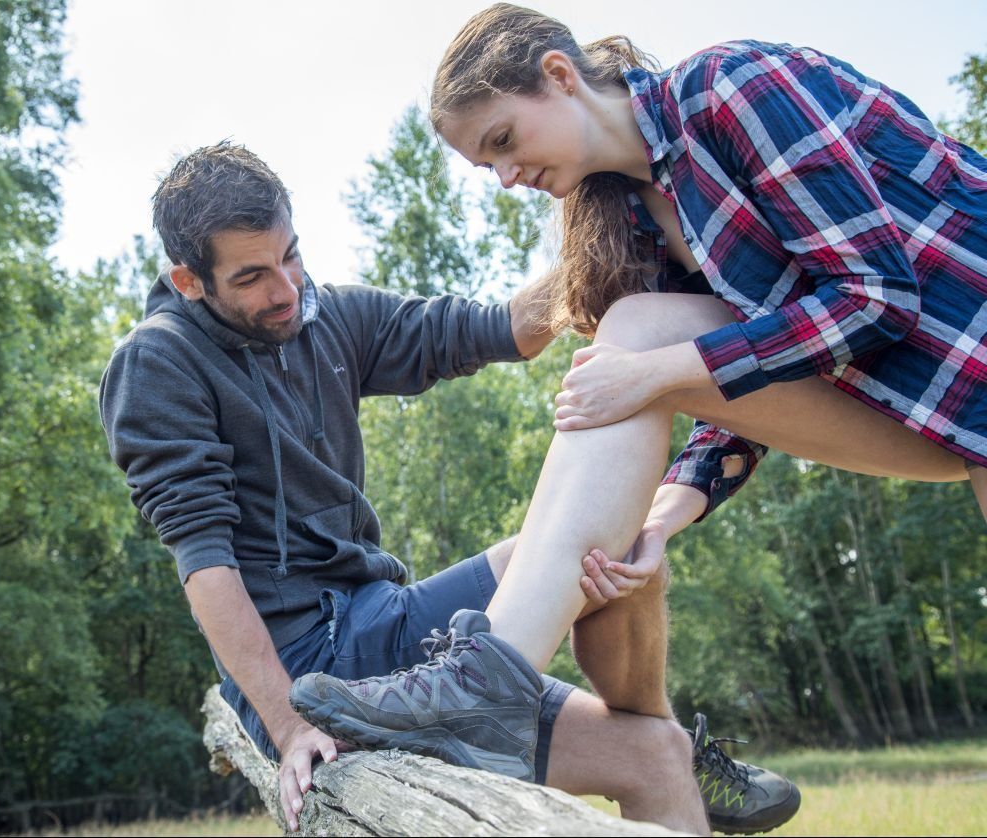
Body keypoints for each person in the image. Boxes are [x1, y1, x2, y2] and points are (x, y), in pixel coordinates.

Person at [290, 0, 986, 830]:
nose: (507, 177)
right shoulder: (638, 217)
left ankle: (486, 680)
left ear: (559, 76)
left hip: (958, 361)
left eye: (505, 141)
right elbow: (743, 382)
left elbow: (877, 295)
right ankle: (491, 675)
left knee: (643, 346)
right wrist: (658, 523)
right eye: (487, 167)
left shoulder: (733, 88)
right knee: (636, 333)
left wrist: (658, 370)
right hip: (913, 405)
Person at [97, 141, 796, 837]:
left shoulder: (324, 316)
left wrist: (620, 244)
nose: (285, 288)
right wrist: (286, 725)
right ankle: (676, 745)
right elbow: (206, 568)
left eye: (291, 255)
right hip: (314, 671)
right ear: (190, 282)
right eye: (252, 276)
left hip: (391, 624)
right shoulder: (158, 364)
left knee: (645, 698)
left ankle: (677, 743)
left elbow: (500, 329)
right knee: (615, 634)